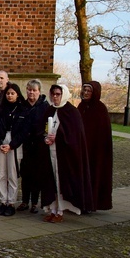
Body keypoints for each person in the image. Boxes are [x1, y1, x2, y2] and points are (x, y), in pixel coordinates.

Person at [40, 84, 93, 223]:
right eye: (53, 94)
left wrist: (58, 138)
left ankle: (60, 211)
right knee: (51, 181)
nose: (55, 97)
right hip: (50, 152)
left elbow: (75, 136)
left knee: (60, 181)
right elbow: (42, 128)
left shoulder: (71, 112)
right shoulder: (49, 110)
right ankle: (52, 209)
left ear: (63, 94)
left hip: (65, 155)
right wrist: (45, 137)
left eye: (58, 94)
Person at [0, 83, 29, 216]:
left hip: (14, 144)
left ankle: (11, 202)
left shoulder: (22, 110)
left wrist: (12, 145)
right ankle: (3, 201)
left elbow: (24, 131)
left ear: (17, 95)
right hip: (0, 143)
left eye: (12, 93)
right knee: (1, 174)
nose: (10, 96)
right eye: (8, 93)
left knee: (12, 174)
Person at [77, 81, 113, 211]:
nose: (86, 93)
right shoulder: (81, 106)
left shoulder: (100, 109)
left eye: (89, 91)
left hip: (95, 151)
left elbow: (102, 134)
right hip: (82, 149)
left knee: (93, 175)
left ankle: (93, 203)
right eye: (84, 90)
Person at [19, 79, 48, 213]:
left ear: (39, 91)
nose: (31, 92)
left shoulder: (45, 106)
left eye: (34, 90)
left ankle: (35, 202)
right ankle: (25, 200)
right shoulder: (22, 105)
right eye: (29, 90)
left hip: (39, 144)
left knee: (36, 175)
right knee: (25, 174)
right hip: (25, 144)